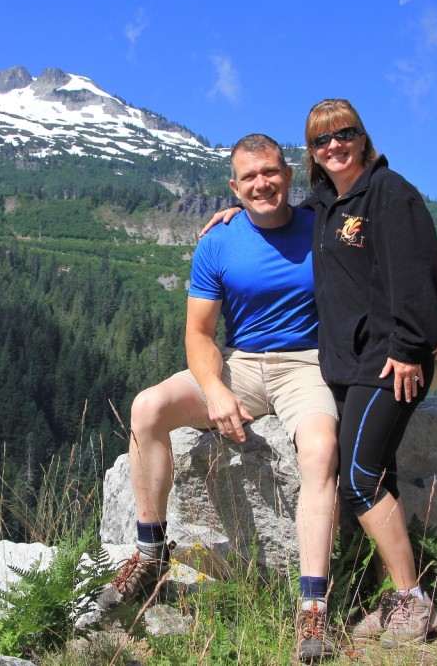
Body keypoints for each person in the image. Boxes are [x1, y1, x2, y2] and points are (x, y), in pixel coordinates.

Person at [202, 99, 437, 646]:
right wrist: (234, 216)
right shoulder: (330, 203)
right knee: (374, 470)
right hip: (349, 363)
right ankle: (392, 594)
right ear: (310, 154)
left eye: (345, 134)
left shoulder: (390, 195)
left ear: (364, 137)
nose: (334, 145)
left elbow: (418, 274)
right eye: (321, 140)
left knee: (357, 479)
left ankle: (411, 600)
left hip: (390, 361)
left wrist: (411, 348)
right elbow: (272, 211)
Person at [99, 134, 340, 662]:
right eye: (249, 177)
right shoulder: (219, 240)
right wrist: (215, 389)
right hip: (241, 361)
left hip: (308, 364)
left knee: (320, 449)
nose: (262, 184)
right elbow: (198, 334)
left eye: (271, 172)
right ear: (234, 186)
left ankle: (313, 607)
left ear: (290, 175)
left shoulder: (322, 227)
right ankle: (150, 549)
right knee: (147, 408)